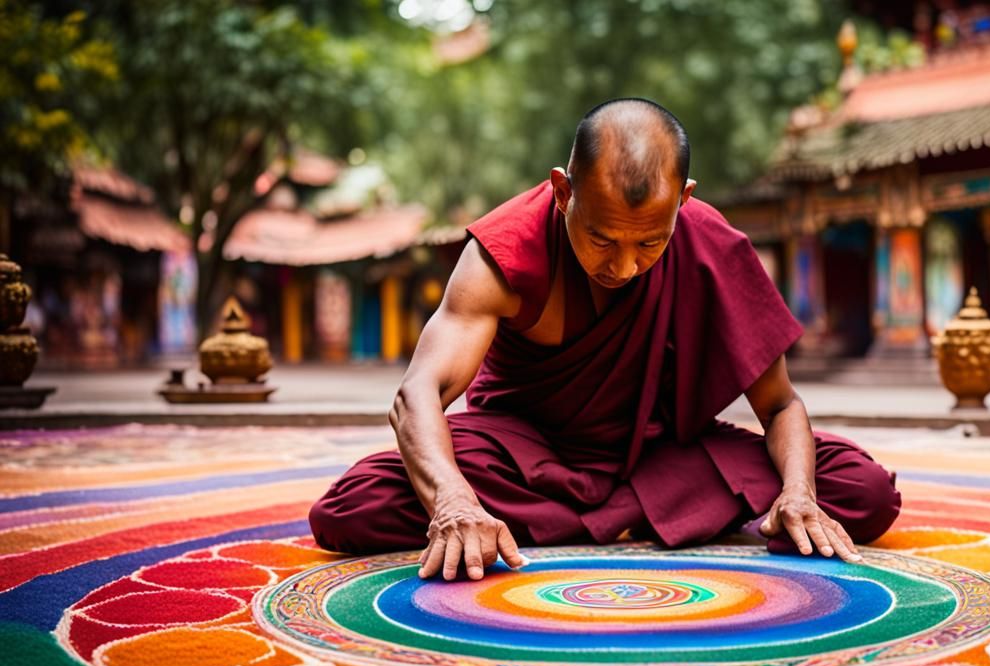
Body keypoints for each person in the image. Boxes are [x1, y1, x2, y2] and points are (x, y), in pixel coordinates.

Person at [309, 98, 900, 581]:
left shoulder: (709, 245)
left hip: (661, 452)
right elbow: (417, 396)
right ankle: (666, 519)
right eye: (601, 239)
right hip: (529, 458)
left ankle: (585, 520)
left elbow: (778, 406)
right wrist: (453, 504)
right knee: (354, 507)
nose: (623, 267)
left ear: (683, 200)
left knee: (859, 489)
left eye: (649, 244)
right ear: (563, 191)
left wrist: (797, 493)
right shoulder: (507, 252)